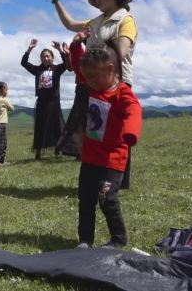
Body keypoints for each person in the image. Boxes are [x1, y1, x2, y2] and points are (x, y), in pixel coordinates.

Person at [66, 30, 142, 249]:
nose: (87, 80)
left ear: (110, 70)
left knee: (107, 200)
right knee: (86, 200)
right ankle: (85, 240)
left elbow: (134, 109)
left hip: (113, 159)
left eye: (93, 76)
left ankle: (118, 239)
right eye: (87, 76)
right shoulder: (91, 85)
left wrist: (130, 132)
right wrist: (75, 46)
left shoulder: (122, 93)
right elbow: (78, 67)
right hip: (90, 157)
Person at [49, 0, 138, 162]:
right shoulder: (94, 22)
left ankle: (117, 176)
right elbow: (70, 24)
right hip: (93, 83)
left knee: (114, 132)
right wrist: (56, 0)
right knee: (96, 131)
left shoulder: (126, 20)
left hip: (115, 82)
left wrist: (94, 56)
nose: (97, 0)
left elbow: (121, 51)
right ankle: (97, 173)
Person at [21, 39, 68, 160]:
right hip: (42, 102)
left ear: (52, 58)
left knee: (56, 126)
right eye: (43, 57)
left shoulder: (57, 69)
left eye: (48, 56)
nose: (45, 58)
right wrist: (29, 49)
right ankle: (38, 152)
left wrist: (60, 50)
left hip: (54, 102)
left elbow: (67, 63)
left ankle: (59, 150)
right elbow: (24, 63)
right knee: (40, 126)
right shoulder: (37, 70)